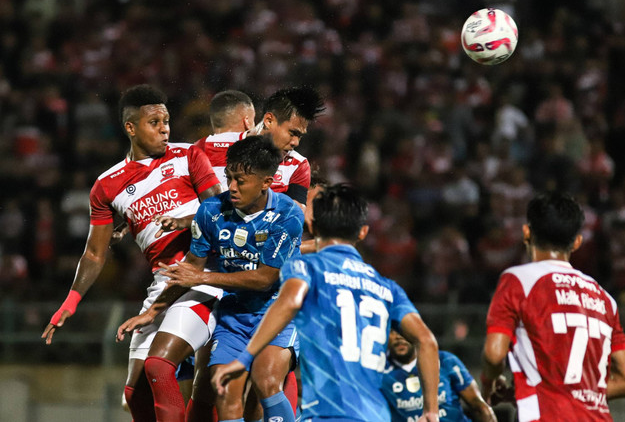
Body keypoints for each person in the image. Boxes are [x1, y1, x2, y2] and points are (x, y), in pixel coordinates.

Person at [42, 84, 224, 421]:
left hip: (203, 276)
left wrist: (185, 221)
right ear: (131, 128)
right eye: (154, 122)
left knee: (159, 367)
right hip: (162, 283)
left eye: (166, 120)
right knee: (135, 392)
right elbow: (95, 253)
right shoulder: (107, 185)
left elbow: (219, 211)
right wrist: (70, 302)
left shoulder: (188, 156)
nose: (165, 128)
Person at [211, 184, 441, 422]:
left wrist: (244, 358)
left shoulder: (305, 268)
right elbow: (427, 341)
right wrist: (431, 411)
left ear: (312, 226)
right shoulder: (387, 287)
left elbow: (289, 302)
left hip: (328, 411)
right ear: (362, 232)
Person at [120, 135, 305, 422]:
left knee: (266, 382)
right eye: (229, 177)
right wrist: (154, 311)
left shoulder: (287, 214)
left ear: (266, 182)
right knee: (224, 392)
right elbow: (191, 267)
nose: (231, 187)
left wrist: (202, 276)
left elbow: (266, 278)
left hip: (276, 313)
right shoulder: (211, 211)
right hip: (231, 318)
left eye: (240, 181)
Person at [481, 192, 625, 421]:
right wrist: (578, 394)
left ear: (526, 232)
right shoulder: (604, 298)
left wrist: (489, 385)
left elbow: (494, 355)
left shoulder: (518, 280)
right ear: (576, 242)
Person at [196, 86, 325, 208]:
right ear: (269, 120)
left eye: (300, 136)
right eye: (292, 133)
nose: (296, 143)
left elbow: (294, 218)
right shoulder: (207, 147)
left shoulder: (298, 165)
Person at [383, 329, 496, 422]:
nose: (399, 337)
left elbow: (478, 405)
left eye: (402, 331)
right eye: (393, 331)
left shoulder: (445, 361)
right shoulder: (380, 371)